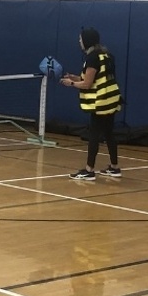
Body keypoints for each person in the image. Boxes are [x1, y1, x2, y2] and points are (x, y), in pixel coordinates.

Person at [60, 27, 122, 181]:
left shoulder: (92, 58)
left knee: (94, 134)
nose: (79, 41)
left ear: (87, 41)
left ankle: (89, 170)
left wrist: (71, 84)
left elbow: (87, 84)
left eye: (80, 39)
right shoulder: (106, 55)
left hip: (101, 101)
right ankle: (114, 168)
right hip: (112, 99)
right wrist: (74, 77)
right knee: (109, 133)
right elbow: (96, 78)